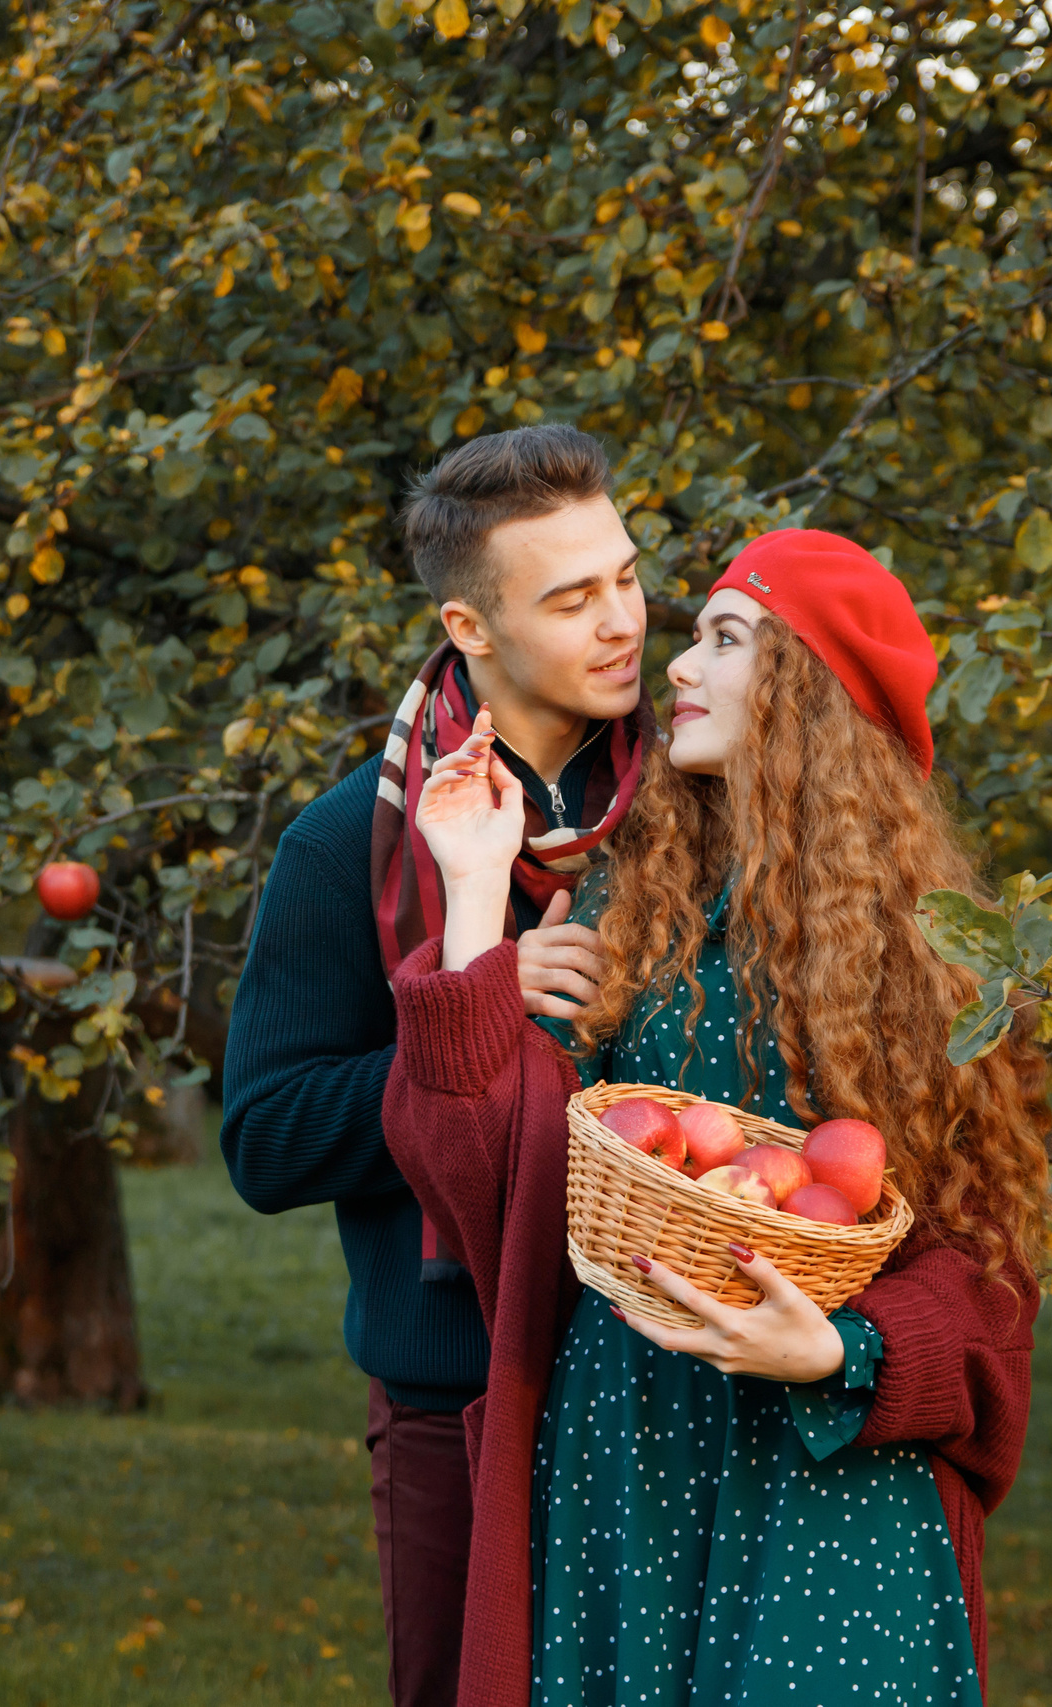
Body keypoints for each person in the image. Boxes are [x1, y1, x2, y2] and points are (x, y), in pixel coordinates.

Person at [379, 528, 1052, 1707]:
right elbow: (482, 1185)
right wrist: (477, 892)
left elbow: (989, 1277)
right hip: (621, 1454)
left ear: (809, 692)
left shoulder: (932, 967)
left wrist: (848, 1350)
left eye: (725, 639)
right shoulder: (629, 913)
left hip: (822, 1477)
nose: (676, 667)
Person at [221, 424, 655, 1707]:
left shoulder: (698, 815)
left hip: (674, 1371)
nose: (622, 621)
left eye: (626, 577)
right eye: (571, 598)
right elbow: (267, 1139)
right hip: (456, 1390)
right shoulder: (348, 841)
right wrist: (466, 1013)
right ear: (469, 625)